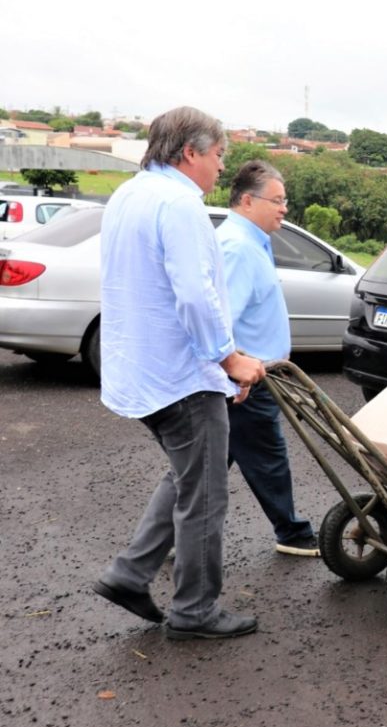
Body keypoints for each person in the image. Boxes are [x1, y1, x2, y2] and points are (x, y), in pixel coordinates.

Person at [92, 106, 266, 641]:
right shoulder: (179, 205)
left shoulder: (129, 194)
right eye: (218, 156)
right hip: (179, 376)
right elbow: (194, 292)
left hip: (140, 372)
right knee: (206, 493)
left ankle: (129, 574)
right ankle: (195, 610)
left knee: (188, 478)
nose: (220, 169)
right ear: (190, 153)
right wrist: (228, 358)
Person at [217, 160, 319, 556]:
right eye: (276, 200)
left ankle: (164, 535)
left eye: (285, 200)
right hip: (249, 377)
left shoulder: (251, 241)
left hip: (253, 374)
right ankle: (292, 533)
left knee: (206, 463)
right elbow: (222, 320)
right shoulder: (238, 248)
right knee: (267, 456)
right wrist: (235, 372)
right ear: (247, 200)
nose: (284, 208)